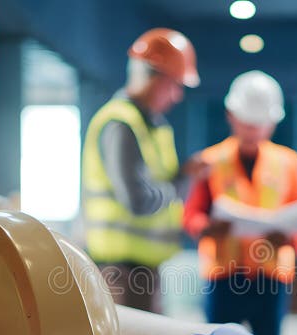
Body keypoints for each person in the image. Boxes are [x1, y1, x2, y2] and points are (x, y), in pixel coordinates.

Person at [81, 28, 208, 313]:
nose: (176, 96)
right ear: (153, 76)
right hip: (120, 272)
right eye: (175, 84)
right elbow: (137, 200)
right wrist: (184, 180)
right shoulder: (120, 125)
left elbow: (159, 186)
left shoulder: (153, 125)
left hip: (143, 269)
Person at [183, 71, 297, 335]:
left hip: (270, 280)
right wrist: (206, 228)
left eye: (260, 123)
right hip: (224, 279)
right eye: (248, 122)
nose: (253, 130)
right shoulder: (211, 161)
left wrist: (289, 239)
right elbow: (192, 215)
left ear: (273, 123)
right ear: (231, 116)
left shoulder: (289, 163)